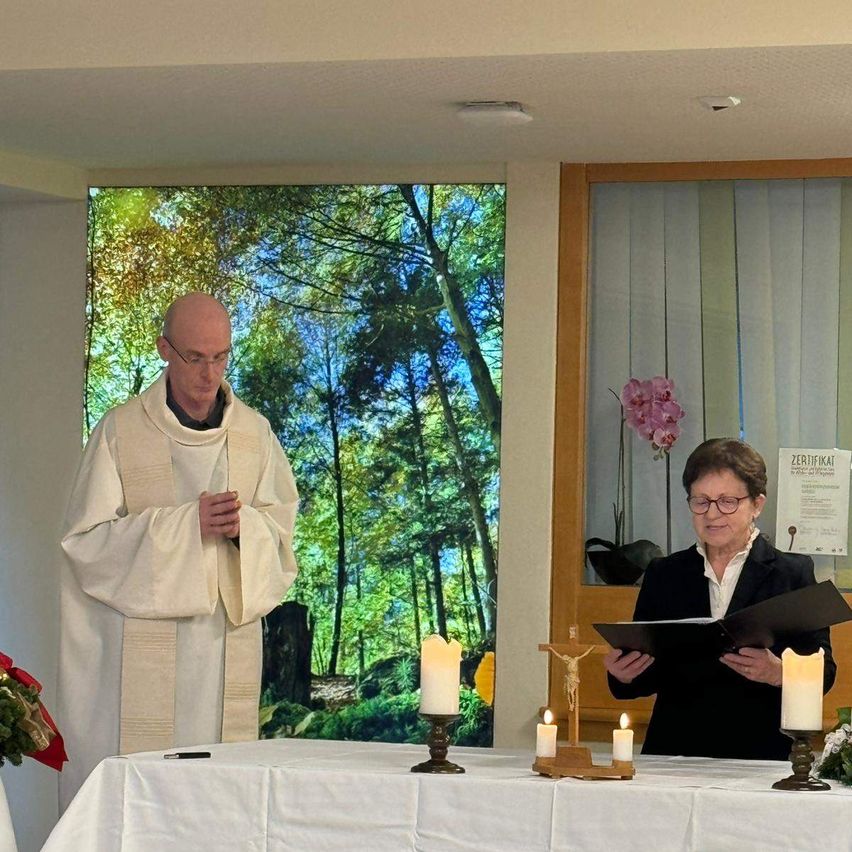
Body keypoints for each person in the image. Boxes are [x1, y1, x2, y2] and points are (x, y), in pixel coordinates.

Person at [58, 293, 299, 808]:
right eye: (195, 357)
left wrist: (244, 531)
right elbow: (84, 544)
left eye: (220, 356)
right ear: (165, 349)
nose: (209, 373)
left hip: (223, 650)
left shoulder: (255, 435)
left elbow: (280, 540)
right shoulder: (120, 432)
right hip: (137, 659)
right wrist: (186, 527)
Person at [605, 438, 835, 760]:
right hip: (675, 751)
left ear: (757, 504)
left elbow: (824, 671)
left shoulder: (792, 573)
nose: (712, 514)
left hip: (760, 751)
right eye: (701, 501)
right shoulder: (665, 573)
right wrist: (622, 674)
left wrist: (779, 672)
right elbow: (646, 670)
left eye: (727, 501)